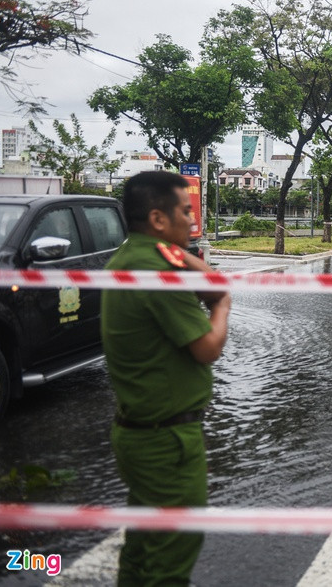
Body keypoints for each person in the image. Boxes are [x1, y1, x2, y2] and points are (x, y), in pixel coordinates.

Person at [102, 171, 232, 586]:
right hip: (167, 443)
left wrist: (179, 251)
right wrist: (224, 305)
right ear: (158, 219)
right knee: (170, 561)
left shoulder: (130, 258)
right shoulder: (157, 272)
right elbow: (207, 347)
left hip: (140, 434)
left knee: (141, 552)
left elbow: (206, 279)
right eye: (184, 213)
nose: (192, 223)